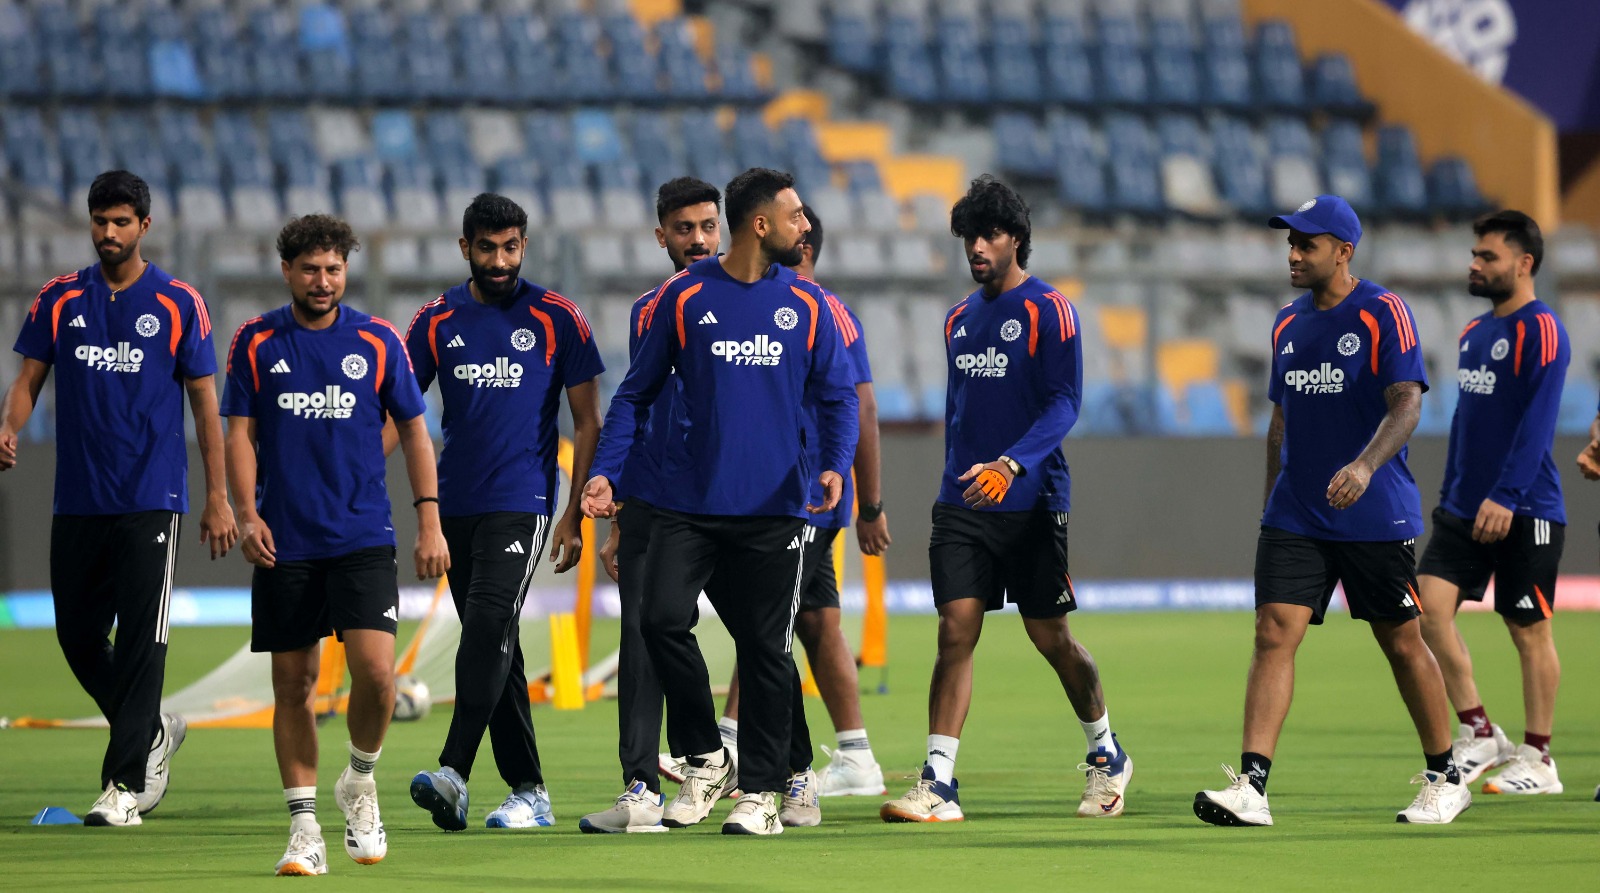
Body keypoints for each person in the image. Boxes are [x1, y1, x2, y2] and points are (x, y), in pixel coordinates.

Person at [582, 168, 858, 836]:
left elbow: (840, 395)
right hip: (691, 503)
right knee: (659, 620)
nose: (806, 227)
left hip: (777, 508)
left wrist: (833, 464)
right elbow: (635, 394)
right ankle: (709, 753)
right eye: (794, 216)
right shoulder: (682, 301)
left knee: (766, 647)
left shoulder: (810, 304)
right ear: (760, 224)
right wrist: (605, 475)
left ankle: (765, 791)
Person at [1194, 195, 1470, 826]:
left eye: (1306, 244)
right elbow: (1279, 421)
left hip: (1374, 512)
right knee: (1272, 633)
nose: (1293, 254)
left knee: (1401, 642)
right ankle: (1253, 787)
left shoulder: (1383, 312)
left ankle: (1445, 775)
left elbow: (1406, 403)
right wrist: (1271, 505)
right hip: (1296, 515)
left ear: (1343, 251)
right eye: (1290, 243)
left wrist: (1365, 466)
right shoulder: (1286, 324)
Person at [881, 176, 1129, 824]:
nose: (977, 247)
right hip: (964, 501)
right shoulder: (959, 319)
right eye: (969, 237)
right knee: (955, 630)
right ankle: (938, 781)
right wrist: (960, 478)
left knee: (1051, 637)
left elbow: (1063, 403)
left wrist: (1013, 463)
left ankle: (1106, 751)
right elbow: (961, 412)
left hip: (1033, 500)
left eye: (988, 235)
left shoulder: (1051, 311)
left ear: (1015, 238)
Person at [0, 169, 236, 826]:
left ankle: (124, 783)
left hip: (150, 497)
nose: (109, 232)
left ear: (144, 226)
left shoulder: (179, 303)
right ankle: (154, 725)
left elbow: (205, 406)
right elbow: (26, 382)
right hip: (76, 496)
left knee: (140, 641)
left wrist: (218, 497)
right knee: (76, 635)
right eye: (100, 221)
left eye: (121, 221)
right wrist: (8, 424)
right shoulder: (58, 299)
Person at [223, 215, 449, 874]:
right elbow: (238, 432)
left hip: (361, 534)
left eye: (333, 268)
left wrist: (429, 521)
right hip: (285, 539)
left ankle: (359, 780)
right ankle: (302, 829)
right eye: (310, 269)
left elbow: (413, 430)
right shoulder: (256, 340)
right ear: (288, 270)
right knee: (291, 686)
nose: (323, 280)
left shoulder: (378, 340)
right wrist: (246, 512)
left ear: (344, 270)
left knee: (377, 675)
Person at [670, 204, 891, 799]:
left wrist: (869, 502)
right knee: (815, 621)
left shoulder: (822, 313)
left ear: (803, 243)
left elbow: (861, 407)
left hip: (805, 493)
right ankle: (856, 755)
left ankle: (732, 741)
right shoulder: (789, 306)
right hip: (800, 490)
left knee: (763, 614)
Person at [402, 194, 603, 831]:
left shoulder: (557, 317)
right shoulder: (435, 320)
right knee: (498, 645)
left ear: (523, 246)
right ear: (465, 248)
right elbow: (402, 412)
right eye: (486, 248)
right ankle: (530, 791)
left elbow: (588, 419)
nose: (499, 259)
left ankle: (453, 771)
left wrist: (575, 513)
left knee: (488, 626)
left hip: (524, 500)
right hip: (456, 502)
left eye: (510, 247)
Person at [581, 176, 723, 833]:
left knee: (765, 635)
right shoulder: (649, 310)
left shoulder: (756, 303)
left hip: (735, 500)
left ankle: (773, 777)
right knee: (639, 641)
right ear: (660, 234)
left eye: (707, 226)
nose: (697, 239)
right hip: (655, 498)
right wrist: (622, 501)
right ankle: (640, 789)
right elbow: (639, 405)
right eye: (684, 228)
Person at [1415, 211, 1569, 795]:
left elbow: (1537, 423)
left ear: (1524, 264)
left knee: (1526, 627)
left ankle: (1540, 758)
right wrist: (1455, 492)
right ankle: (1479, 731)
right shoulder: (1473, 334)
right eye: (1475, 256)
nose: (1474, 265)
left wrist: (1506, 495)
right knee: (1428, 611)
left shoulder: (1544, 330)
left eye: (1487, 257)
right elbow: (1467, 422)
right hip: (1462, 507)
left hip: (1526, 507)